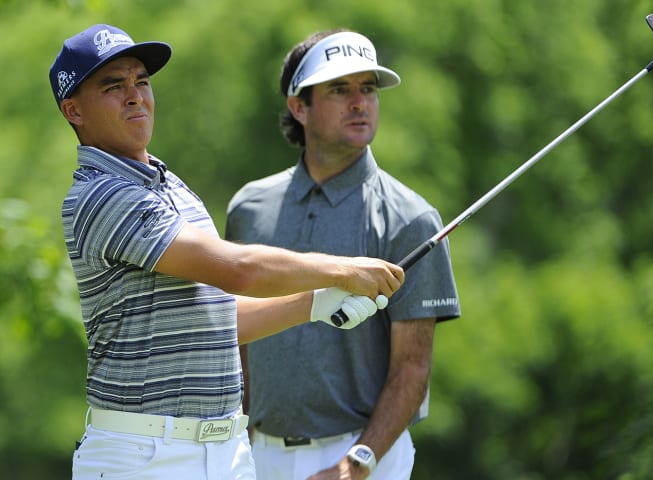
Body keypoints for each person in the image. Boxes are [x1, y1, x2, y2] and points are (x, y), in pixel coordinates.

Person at [48, 24, 405, 480]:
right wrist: (341, 270)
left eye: (142, 80)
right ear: (73, 109)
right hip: (143, 454)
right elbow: (239, 271)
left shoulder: (171, 187)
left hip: (225, 451)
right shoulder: (99, 195)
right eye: (113, 86)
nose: (135, 95)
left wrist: (313, 304)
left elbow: (215, 318)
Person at [225, 29, 461, 480]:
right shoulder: (249, 208)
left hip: (362, 455)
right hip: (256, 453)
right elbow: (237, 339)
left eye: (368, 88)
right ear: (299, 106)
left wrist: (357, 463)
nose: (360, 102)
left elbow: (412, 368)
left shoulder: (411, 219)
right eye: (339, 89)